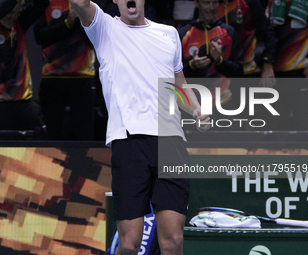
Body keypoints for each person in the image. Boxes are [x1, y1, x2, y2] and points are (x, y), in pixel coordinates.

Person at [69, 0, 210, 254]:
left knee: (173, 240)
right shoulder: (104, 29)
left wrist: (197, 110)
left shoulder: (168, 34)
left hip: (171, 142)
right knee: (130, 243)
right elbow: (79, 2)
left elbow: (179, 85)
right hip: (129, 142)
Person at [0, 0, 49, 134]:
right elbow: (1, 10)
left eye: (16, 11)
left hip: (23, 103)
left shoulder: (20, 24)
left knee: (37, 150)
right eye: (8, 11)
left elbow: (42, 3)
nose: (11, 16)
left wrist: (23, 3)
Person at [34, 0, 96, 140]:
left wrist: (83, 20)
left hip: (82, 78)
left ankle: (82, 162)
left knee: (84, 135)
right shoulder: (46, 3)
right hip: (53, 78)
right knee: (52, 134)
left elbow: (96, 38)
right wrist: (67, 23)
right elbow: (40, 37)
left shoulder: (88, 4)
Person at [179, 0, 243, 130]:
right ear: (196, 3)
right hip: (193, 109)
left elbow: (239, 72)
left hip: (223, 106)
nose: (211, 7)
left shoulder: (229, 33)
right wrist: (192, 65)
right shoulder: (183, 34)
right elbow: (173, 76)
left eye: (214, 3)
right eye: (206, 3)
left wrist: (219, 60)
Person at [266, 0, 308, 131]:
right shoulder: (273, 3)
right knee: (275, 122)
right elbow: (266, 33)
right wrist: (267, 65)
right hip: (274, 72)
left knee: (302, 122)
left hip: (300, 70)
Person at [216, 0, 278, 86]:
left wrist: (268, 63)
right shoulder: (209, 5)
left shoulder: (249, 3)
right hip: (217, 75)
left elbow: (269, 34)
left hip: (246, 72)